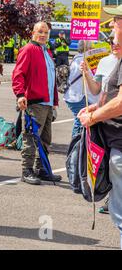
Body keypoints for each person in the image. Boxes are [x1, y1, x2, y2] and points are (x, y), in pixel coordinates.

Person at [78, 30, 122, 250]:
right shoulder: (107, 63)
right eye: (111, 42)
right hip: (107, 133)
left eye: (115, 40)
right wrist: (87, 74)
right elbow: (100, 91)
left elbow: (120, 102)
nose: (113, 44)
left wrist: (94, 116)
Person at [12, 21, 62, 185]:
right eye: (40, 31)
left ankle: (42, 170)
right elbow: (18, 74)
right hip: (34, 103)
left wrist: (54, 102)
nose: (43, 35)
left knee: (45, 139)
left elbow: (51, 79)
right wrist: (20, 95)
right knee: (31, 138)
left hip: (47, 103)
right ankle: (27, 170)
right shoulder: (28, 50)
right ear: (33, 32)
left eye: (46, 32)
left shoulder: (46, 51)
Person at [63, 40, 99, 138]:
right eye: (92, 46)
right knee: (81, 122)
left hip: (73, 95)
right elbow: (94, 77)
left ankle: (78, 144)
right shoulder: (83, 59)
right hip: (78, 96)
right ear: (88, 48)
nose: (93, 48)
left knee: (80, 121)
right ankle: (76, 145)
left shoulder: (77, 58)